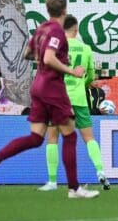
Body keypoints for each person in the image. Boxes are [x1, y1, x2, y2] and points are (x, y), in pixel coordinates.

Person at [0, 0, 99, 199]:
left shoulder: (42, 29)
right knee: (70, 136)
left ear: (48, 9)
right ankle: (74, 189)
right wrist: (72, 70)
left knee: (36, 138)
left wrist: (45, 58)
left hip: (38, 86)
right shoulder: (57, 32)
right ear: (65, 9)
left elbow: (28, 53)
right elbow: (49, 57)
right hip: (53, 88)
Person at [38, 16, 109, 192]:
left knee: (53, 138)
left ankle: (52, 181)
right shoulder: (86, 49)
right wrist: (83, 84)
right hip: (79, 99)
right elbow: (91, 76)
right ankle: (100, 171)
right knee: (89, 138)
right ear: (76, 30)